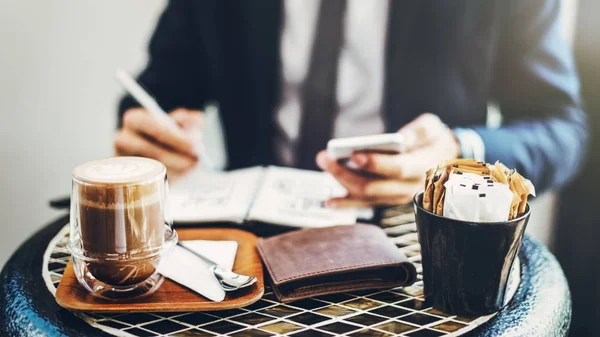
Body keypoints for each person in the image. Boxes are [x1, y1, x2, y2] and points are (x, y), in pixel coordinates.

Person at [115, 0, 587, 209]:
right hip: (248, 248)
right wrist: (151, 134)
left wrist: (456, 155)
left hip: (419, 241)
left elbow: (560, 128)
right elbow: (157, 94)